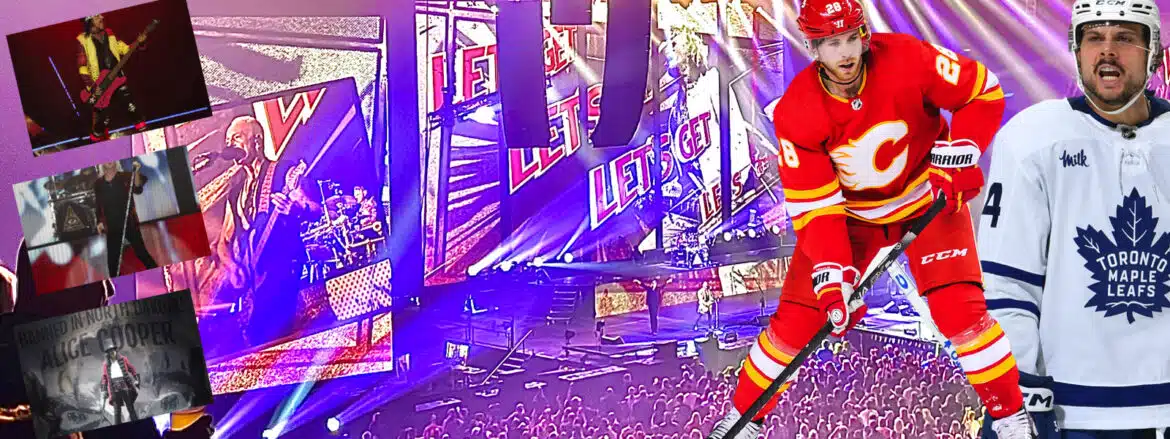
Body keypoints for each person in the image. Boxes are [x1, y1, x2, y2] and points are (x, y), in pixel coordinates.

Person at [706, 0, 1034, 438]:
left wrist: (965, 149)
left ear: (862, 34)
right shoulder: (796, 112)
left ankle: (1010, 415)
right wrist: (833, 276)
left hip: (925, 199)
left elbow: (983, 92)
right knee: (797, 323)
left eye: (848, 39)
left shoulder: (909, 58)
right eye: (829, 43)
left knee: (960, 313)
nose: (843, 54)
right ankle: (745, 417)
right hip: (852, 220)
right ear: (811, 46)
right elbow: (818, 210)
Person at [978, 1, 1170, 438]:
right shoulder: (1031, 138)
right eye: (1093, 37)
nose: (1107, 51)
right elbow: (1007, 285)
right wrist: (1023, 392)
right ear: (1076, 48)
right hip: (1074, 412)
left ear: (1153, 52)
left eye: (1124, 37)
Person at [76, 14, 147, 142]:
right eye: (97, 16)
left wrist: (139, 43)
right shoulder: (83, 40)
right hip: (100, 85)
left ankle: (146, 137)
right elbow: (82, 67)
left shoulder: (110, 34)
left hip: (118, 79)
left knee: (132, 107)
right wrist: (93, 87)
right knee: (103, 120)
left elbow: (125, 49)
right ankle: (96, 142)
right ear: (89, 21)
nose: (102, 17)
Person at [93, 160, 158, 277]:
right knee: (113, 260)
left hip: (129, 221)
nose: (109, 161)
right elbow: (98, 204)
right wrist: (99, 221)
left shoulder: (125, 176)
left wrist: (136, 172)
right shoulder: (98, 183)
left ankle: (159, 275)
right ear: (101, 163)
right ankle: (116, 287)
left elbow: (138, 189)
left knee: (141, 252)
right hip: (111, 224)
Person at [100, 337, 140, 424]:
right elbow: (104, 378)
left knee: (130, 408)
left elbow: (131, 368)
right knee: (117, 412)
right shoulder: (106, 364)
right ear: (108, 353)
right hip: (114, 389)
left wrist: (136, 379)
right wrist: (103, 390)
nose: (112, 353)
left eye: (113, 350)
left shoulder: (123, 359)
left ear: (115, 350)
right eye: (110, 351)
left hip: (125, 386)